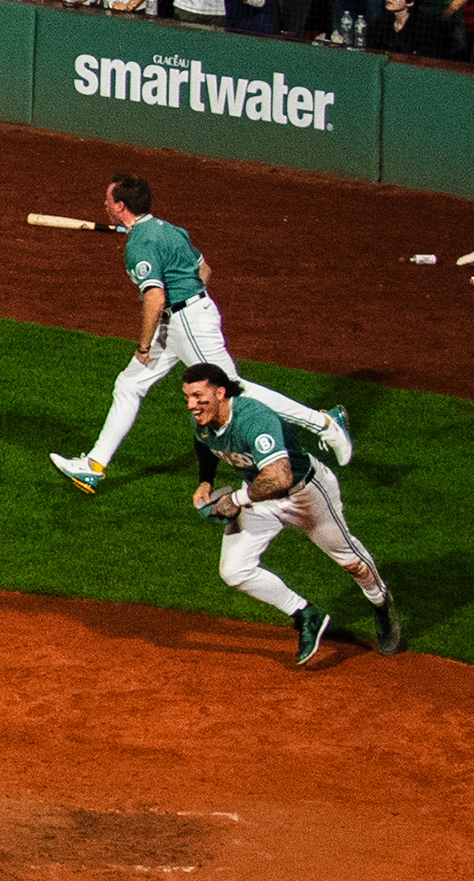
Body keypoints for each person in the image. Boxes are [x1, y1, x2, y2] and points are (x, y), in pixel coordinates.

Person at [51, 176, 350, 492]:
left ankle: (326, 425)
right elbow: (204, 270)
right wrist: (191, 304)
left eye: (108, 201)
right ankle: (93, 466)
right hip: (182, 319)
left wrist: (147, 344)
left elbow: (155, 296)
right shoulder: (168, 230)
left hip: (185, 322)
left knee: (235, 392)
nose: (105, 205)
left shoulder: (141, 243)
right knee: (129, 384)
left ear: (121, 206)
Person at [180, 366, 402, 665]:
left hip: (305, 495)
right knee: (234, 570)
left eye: (198, 396)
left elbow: (281, 477)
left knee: (353, 563)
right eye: (187, 397)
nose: (191, 404)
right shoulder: (205, 420)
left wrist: (235, 499)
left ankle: (380, 601)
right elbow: (206, 442)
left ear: (220, 393)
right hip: (259, 497)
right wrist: (206, 480)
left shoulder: (253, 419)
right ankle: (305, 615)